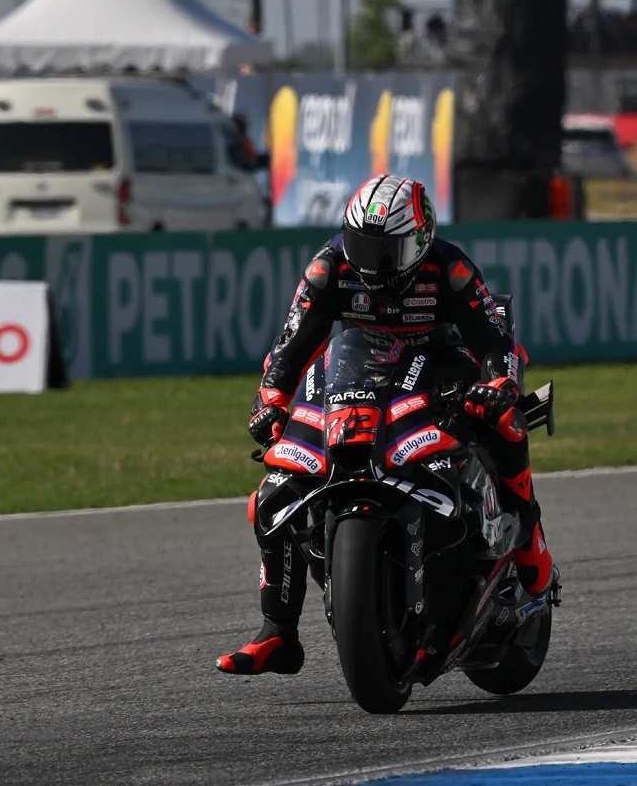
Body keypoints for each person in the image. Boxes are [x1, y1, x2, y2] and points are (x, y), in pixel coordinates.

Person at [216, 173, 557, 676]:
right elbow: (291, 344)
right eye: (361, 246)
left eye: (386, 251)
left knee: (505, 420)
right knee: (273, 491)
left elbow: (495, 342)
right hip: (363, 373)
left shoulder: (451, 269)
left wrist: (498, 384)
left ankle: (528, 537)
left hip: (443, 368)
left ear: (420, 240)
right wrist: (270, 399)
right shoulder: (329, 267)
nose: (371, 263)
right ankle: (278, 633)